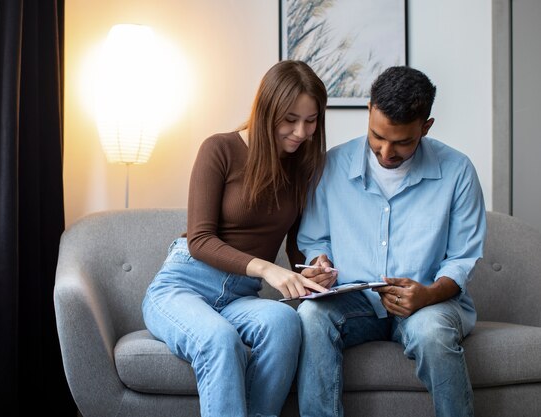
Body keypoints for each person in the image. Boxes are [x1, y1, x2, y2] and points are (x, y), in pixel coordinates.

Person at [142, 60, 334, 417]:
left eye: (311, 121)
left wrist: (312, 267)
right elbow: (199, 239)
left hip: (239, 297)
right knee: (219, 340)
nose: (301, 132)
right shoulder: (220, 149)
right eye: (290, 119)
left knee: (284, 322)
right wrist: (265, 269)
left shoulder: (303, 168)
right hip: (183, 286)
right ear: (266, 110)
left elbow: (295, 247)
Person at [295, 66, 486, 417]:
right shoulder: (331, 165)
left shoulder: (457, 171)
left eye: (402, 142)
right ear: (368, 111)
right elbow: (315, 238)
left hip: (428, 302)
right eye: (377, 136)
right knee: (310, 315)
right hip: (355, 302)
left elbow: (463, 257)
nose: (386, 152)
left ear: (426, 127)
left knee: (431, 333)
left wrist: (427, 294)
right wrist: (319, 263)